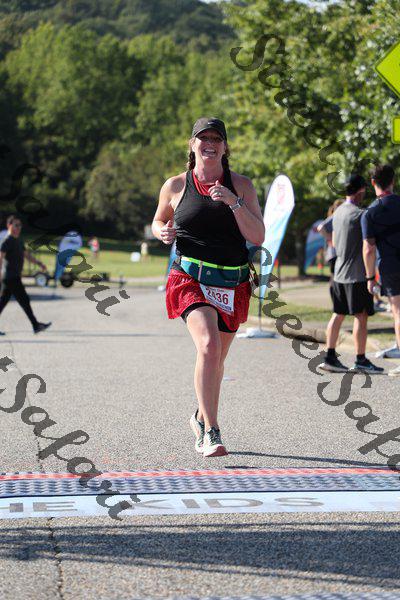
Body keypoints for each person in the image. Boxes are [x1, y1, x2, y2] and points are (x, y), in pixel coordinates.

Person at [152, 117, 264, 457]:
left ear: (225, 147)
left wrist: (233, 202)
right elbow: (158, 219)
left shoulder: (241, 186)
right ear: (192, 145)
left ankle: (200, 416)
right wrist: (161, 231)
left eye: (217, 138)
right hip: (190, 278)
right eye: (204, 138)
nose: (210, 143)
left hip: (232, 281)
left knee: (217, 358)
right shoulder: (176, 185)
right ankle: (211, 432)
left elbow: (258, 236)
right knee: (209, 345)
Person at [318, 175, 383, 374]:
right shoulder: (361, 214)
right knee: (361, 316)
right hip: (357, 275)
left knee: (337, 315)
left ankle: (329, 357)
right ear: (361, 190)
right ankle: (361, 360)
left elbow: (323, 228)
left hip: (339, 274)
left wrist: (334, 243)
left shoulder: (338, 211)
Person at [362, 164, 400, 374]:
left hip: (390, 266)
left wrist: (370, 278)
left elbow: (368, 249)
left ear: (373, 183)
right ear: (393, 181)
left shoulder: (370, 213)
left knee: (398, 312)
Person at [0, 215, 51, 335]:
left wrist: (39, 263)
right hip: (10, 276)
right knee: (24, 300)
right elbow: (0, 258)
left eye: (20, 225)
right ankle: (36, 325)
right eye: (16, 225)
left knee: (3, 302)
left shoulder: (18, 240)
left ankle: (36, 325)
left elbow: (26, 255)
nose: (18, 228)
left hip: (13, 276)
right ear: (9, 225)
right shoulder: (7, 241)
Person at [317, 199, 343, 276]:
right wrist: (330, 238)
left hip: (335, 252)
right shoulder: (335, 216)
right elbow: (320, 227)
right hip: (334, 252)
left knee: (335, 275)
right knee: (335, 276)